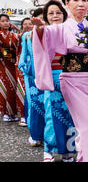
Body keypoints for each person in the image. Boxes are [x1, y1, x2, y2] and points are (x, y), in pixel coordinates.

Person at [31, 0, 88, 162]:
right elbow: (45, 36)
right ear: (66, 3)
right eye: (76, 0)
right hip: (72, 81)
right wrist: (40, 29)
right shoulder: (62, 28)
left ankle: (83, 157)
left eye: (84, 0)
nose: (81, 4)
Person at [39, 0, 76, 162]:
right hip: (52, 78)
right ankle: (49, 150)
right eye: (51, 13)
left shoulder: (71, 30)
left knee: (72, 115)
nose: (55, 16)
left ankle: (68, 151)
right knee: (51, 115)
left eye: (58, 12)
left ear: (64, 14)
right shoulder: (43, 31)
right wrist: (39, 31)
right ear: (46, 16)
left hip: (71, 77)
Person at [18, 8, 45, 147]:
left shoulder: (55, 33)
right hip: (33, 75)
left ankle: (51, 136)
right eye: (38, 19)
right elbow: (25, 52)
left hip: (51, 75)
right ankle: (36, 134)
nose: (41, 22)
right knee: (35, 104)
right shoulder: (27, 35)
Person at [0, 14, 20, 122]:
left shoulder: (14, 35)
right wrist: (12, 55)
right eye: (2, 21)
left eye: (7, 21)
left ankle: (11, 112)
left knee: (13, 88)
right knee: (7, 87)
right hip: (3, 65)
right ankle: (7, 112)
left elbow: (22, 44)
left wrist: (17, 29)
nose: (5, 23)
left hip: (12, 65)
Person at [15, 18, 33, 127]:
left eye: (30, 23)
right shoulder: (18, 37)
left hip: (34, 66)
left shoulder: (35, 35)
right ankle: (23, 115)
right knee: (22, 90)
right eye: (24, 24)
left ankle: (30, 116)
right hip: (22, 66)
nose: (27, 25)